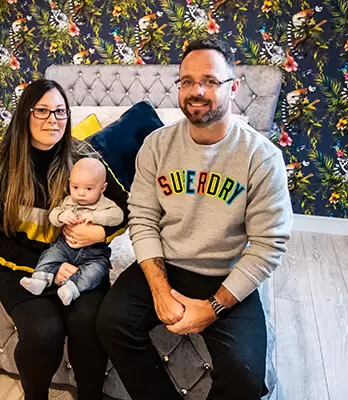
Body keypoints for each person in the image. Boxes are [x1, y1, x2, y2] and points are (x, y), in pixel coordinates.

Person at [96, 39, 293, 400]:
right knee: (110, 323)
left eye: (209, 81)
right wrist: (159, 289)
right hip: (166, 264)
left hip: (225, 271)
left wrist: (213, 308)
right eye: (186, 81)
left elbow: (269, 243)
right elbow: (141, 218)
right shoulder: (156, 145)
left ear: (233, 87)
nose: (196, 91)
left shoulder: (262, 157)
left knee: (246, 376)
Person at [0, 79, 129, 400]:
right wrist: (47, 269)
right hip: (21, 267)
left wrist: (100, 232)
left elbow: (127, 208)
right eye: (42, 111)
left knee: (88, 322)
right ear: (25, 115)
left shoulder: (84, 157)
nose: (52, 119)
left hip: (80, 263)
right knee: (45, 332)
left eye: (60, 111)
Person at [20, 158, 124, 306]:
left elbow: (118, 216)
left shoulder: (107, 204)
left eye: (89, 189)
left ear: (103, 188)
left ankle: (71, 289)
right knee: (50, 254)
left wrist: (95, 217)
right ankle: (39, 279)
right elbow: (53, 215)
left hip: (94, 254)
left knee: (95, 272)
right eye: (75, 187)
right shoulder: (68, 201)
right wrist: (62, 216)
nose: (81, 194)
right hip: (65, 246)